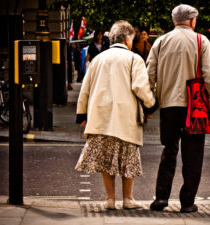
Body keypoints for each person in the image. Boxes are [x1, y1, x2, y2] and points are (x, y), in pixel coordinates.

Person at [146, 4, 210, 213]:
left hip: (168, 105)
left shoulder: (160, 41)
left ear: (174, 21)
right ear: (193, 21)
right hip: (194, 107)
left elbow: (149, 75)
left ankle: (161, 197)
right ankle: (187, 202)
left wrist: (152, 101)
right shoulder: (201, 41)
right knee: (193, 155)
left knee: (169, 150)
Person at [75, 20, 156, 209]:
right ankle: (128, 199)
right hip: (125, 118)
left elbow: (85, 88)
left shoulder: (98, 59)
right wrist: (150, 105)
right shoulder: (134, 59)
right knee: (128, 159)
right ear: (128, 39)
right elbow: (140, 87)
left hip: (101, 117)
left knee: (106, 159)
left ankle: (110, 199)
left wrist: (81, 114)